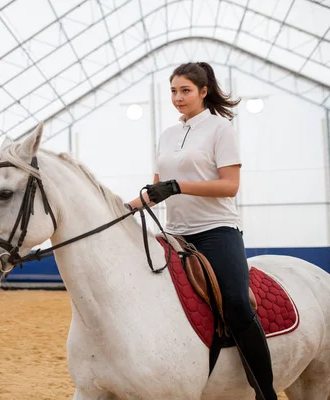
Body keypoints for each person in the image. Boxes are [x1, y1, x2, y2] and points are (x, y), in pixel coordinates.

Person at [126, 62, 276, 399]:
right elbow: (156, 190)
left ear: (203, 91)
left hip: (215, 230)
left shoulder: (221, 130)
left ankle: (266, 392)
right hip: (174, 234)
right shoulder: (167, 135)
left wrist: (179, 186)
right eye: (173, 91)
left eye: (185, 91)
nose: (177, 98)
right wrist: (126, 208)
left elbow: (230, 186)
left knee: (237, 303)